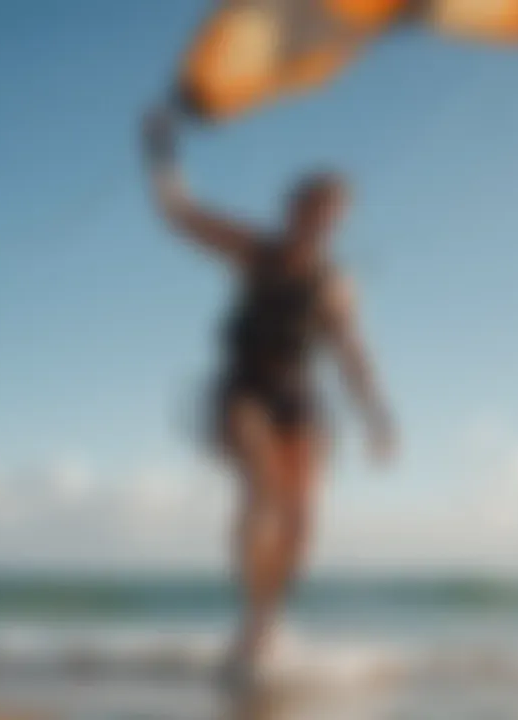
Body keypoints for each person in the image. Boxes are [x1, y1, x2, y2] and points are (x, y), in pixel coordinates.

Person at [141, 105, 397, 687]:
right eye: (315, 207)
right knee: (263, 488)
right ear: (293, 208)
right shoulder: (256, 251)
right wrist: (161, 152)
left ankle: (263, 623)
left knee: (303, 519)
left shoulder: (334, 283)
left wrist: (377, 418)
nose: (323, 220)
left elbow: (352, 354)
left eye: (334, 212)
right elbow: (180, 214)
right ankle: (252, 619)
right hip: (245, 388)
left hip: (299, 398)